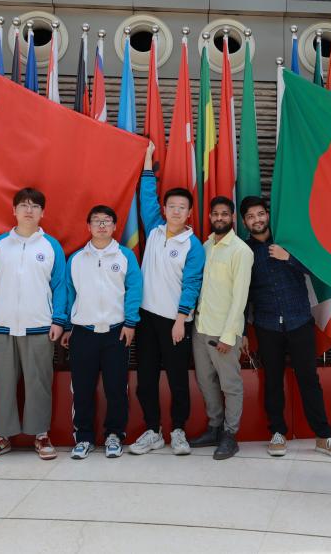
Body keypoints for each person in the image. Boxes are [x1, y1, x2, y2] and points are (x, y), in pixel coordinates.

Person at [240, 196, 331, 460]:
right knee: (272, 382)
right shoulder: (243, 252)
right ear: (244, 222)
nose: (257, 220)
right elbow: (241, 294)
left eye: (260, 214)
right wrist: (242, 331)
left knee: (309, 379)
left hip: (299, 321)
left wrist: (288, 257)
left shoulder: (288, 242)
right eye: (251, 216)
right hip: (267, 325)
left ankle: (323, 436)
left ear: (268, 215)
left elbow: (315, 268)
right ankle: (277, 433)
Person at [0, 188, 66, 461]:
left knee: (39, 383)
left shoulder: (51, 246)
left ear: (42, 212)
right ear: (14, 210)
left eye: (35, 206)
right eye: (24, 205)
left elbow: (60, 285)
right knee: (3, 384)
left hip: (39, 326)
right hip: (2, 327)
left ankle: (41, 435)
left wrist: (59, 319)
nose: (29, 210)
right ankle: (2, 437)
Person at [128, 142, 205, 457]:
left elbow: (192, 285)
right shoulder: (154, 230)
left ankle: (178, 430)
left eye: (181, 207)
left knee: (177, 380)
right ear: (165, 209)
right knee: (146, 379)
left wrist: (180, 320)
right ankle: (153, 430)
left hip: (175, 322)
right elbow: (147, 196)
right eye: (171, 206)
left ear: (189, 213)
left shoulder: (193, 245)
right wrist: (147, 159)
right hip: (146, 318)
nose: (175, 211)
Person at [56, 205, 142, 460]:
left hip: (116, 332)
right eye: (96, 221)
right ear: (89, 226)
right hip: (83, 333)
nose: (102, 225)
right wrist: (68, 327)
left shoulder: (125, 256)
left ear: (115, 226)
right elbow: (69, 294)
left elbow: (135, 289)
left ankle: (114, 435)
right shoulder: (76, 259)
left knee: (116, 387)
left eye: (106, 221)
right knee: (82, 389)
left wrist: (130, 323)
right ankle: (83, 438)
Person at [189, 196, 253, 460]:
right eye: (215, 213)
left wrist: (229, 335)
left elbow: (240, 298)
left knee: (230, 384)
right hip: (200, 328)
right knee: (206, 381)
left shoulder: (241, 251)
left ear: (232, 217)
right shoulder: (206, 246)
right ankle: (214, 428)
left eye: (224, 214)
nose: (219, 218)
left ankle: (230, 434)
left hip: (223, 332)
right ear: (210, 216)